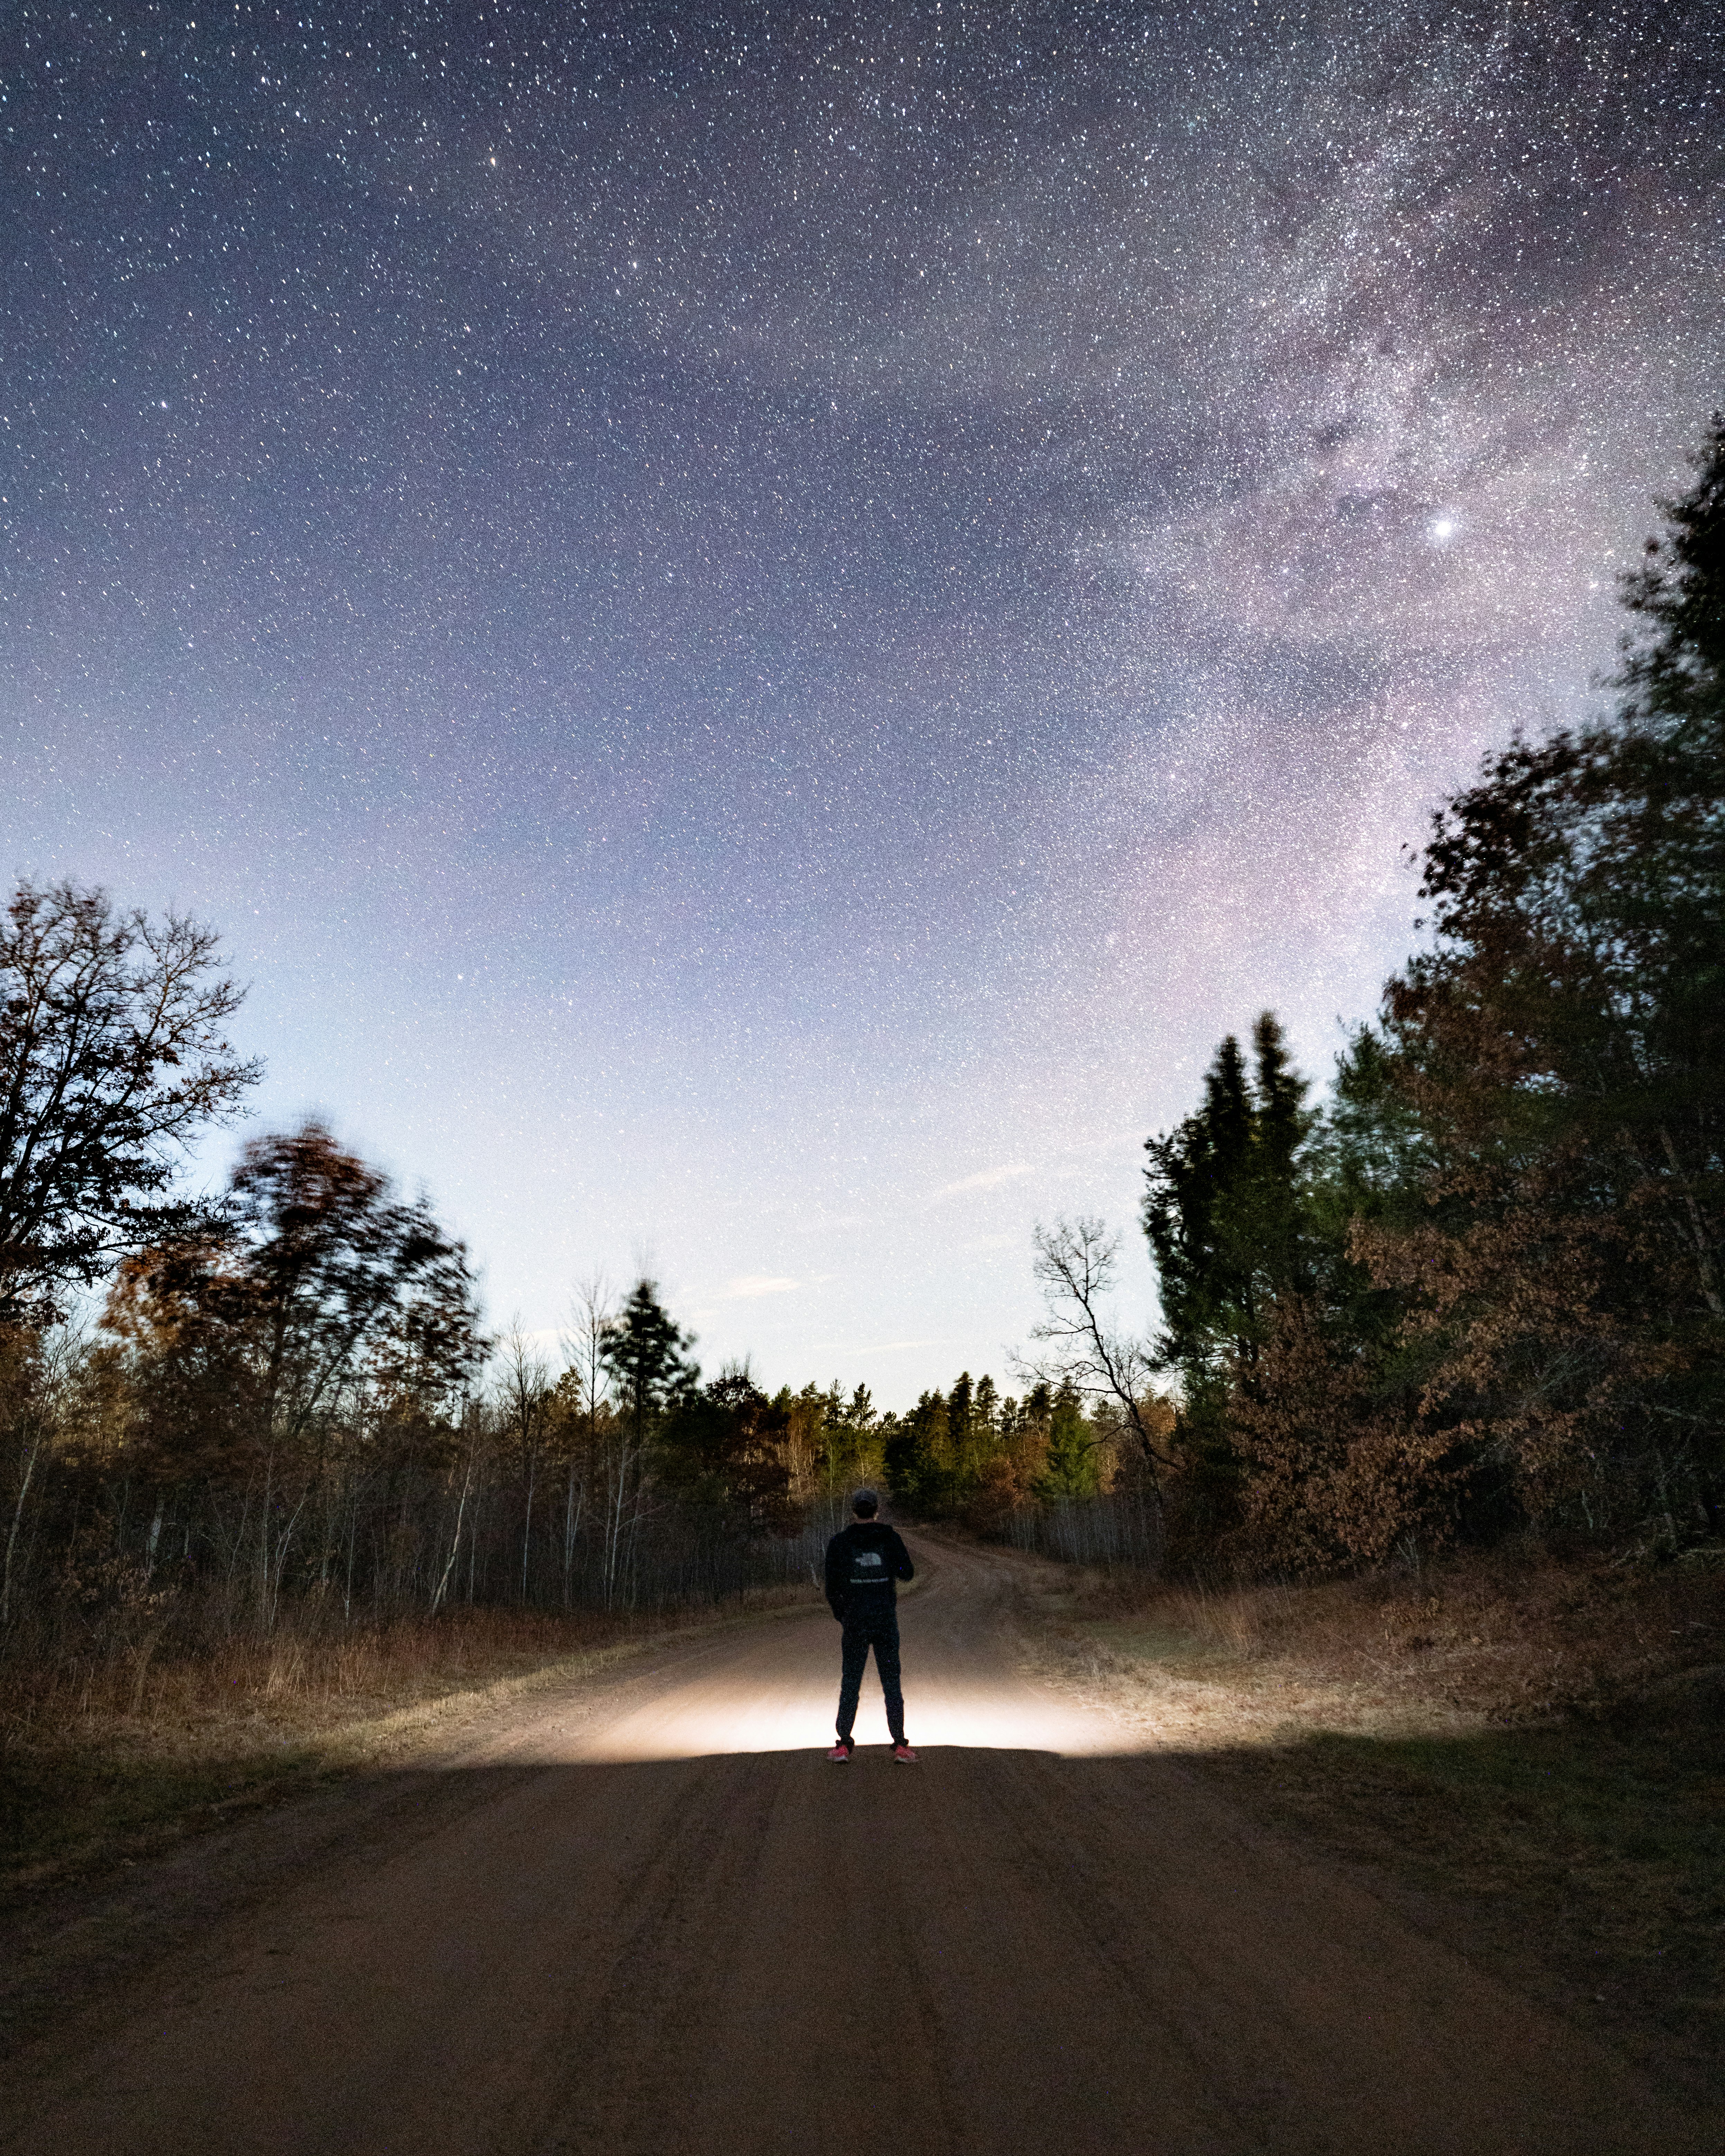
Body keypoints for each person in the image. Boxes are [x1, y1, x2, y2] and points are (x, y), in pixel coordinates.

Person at [823, 1488, 917, 1762]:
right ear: (876, 1510)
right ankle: (901, 1745)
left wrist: (844, 1615)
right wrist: (892, 1567)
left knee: (851, 1681)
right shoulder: (889, 1538)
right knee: (891, 1682)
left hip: (856, 1623)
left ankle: (843, 1746)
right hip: (885, 1621)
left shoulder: (841, 1542)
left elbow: (833, 1586)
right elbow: (907, 1573)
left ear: (854, 1511)